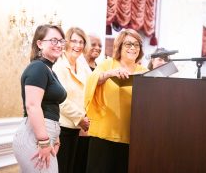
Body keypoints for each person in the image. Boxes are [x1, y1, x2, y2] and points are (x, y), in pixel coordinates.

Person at [85, 29, 147, 173]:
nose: (133, 48)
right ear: (119, 46)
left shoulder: (143, 70)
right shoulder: (108, 64)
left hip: (131, 135)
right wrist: (109, 74)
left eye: (136, 44)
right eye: (128, 44)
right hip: (104, 133)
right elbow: (93, 81)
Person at [13, 24, 67, 172]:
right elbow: (32, 106)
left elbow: (49, 106)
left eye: (61, 41)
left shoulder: (49, 70)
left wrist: (55, 136)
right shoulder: (38, 68)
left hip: (42, 134)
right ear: (40, 43)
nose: (59, 45)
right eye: (54, 40)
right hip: (33, 137)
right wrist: (44, 140)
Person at [52, 27, 91, 173]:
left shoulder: (82, 64)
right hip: (61, 127)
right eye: (74, 41)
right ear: (66, 42)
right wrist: (80, 118)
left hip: (77, 128)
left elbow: (92, 85)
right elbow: (59, 99)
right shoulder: (58, 65)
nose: (78, 45)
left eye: (81, 42)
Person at [73, 34, 102, 173]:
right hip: (79, 122)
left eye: (100, 45)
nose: (97, 48)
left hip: (96, 125)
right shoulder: (77, 65)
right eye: (94, 44)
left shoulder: (101, 68)